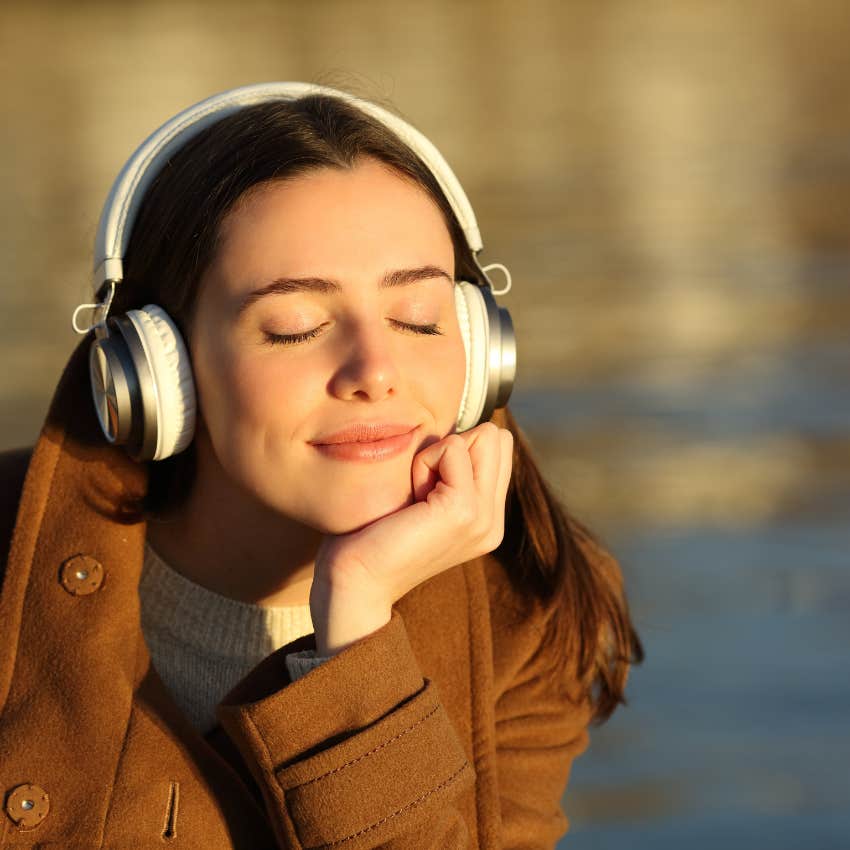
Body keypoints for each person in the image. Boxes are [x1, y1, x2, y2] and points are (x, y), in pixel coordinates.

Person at [0, 83, 643, 848]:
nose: (376, 369)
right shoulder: (9, 553)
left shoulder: (528, 611)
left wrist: (359, 626)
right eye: (295, 327)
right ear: (157, 369)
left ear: (479, 352)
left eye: (419, 319)